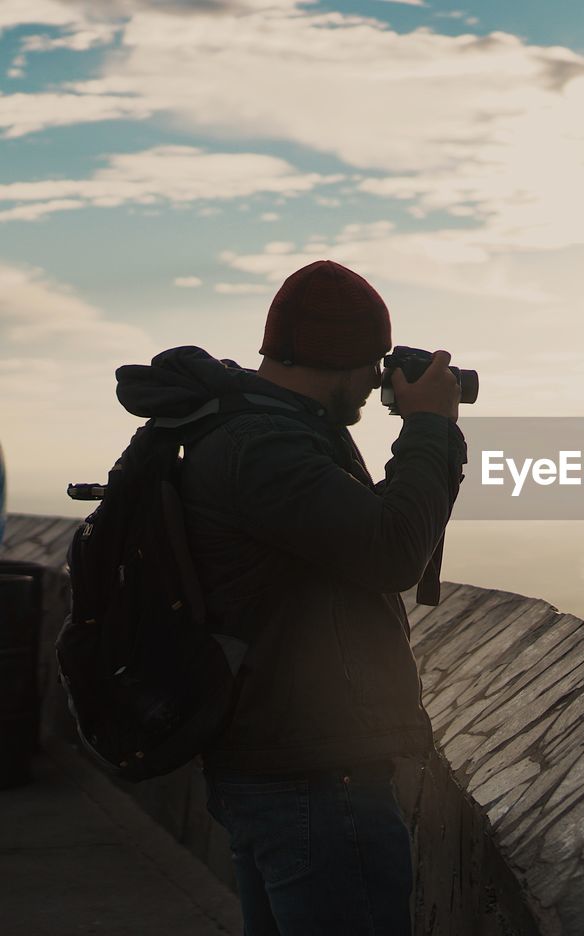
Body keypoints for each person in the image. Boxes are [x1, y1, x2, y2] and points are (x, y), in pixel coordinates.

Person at [116, 260, 466, 935]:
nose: (377, 380)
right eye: (371, 363)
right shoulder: (266, 446)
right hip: (312, 781)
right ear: (341, 357)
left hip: (280, 768)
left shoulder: (264, 428)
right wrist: (429, 428)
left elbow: (379, 540)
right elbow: (393, 551)